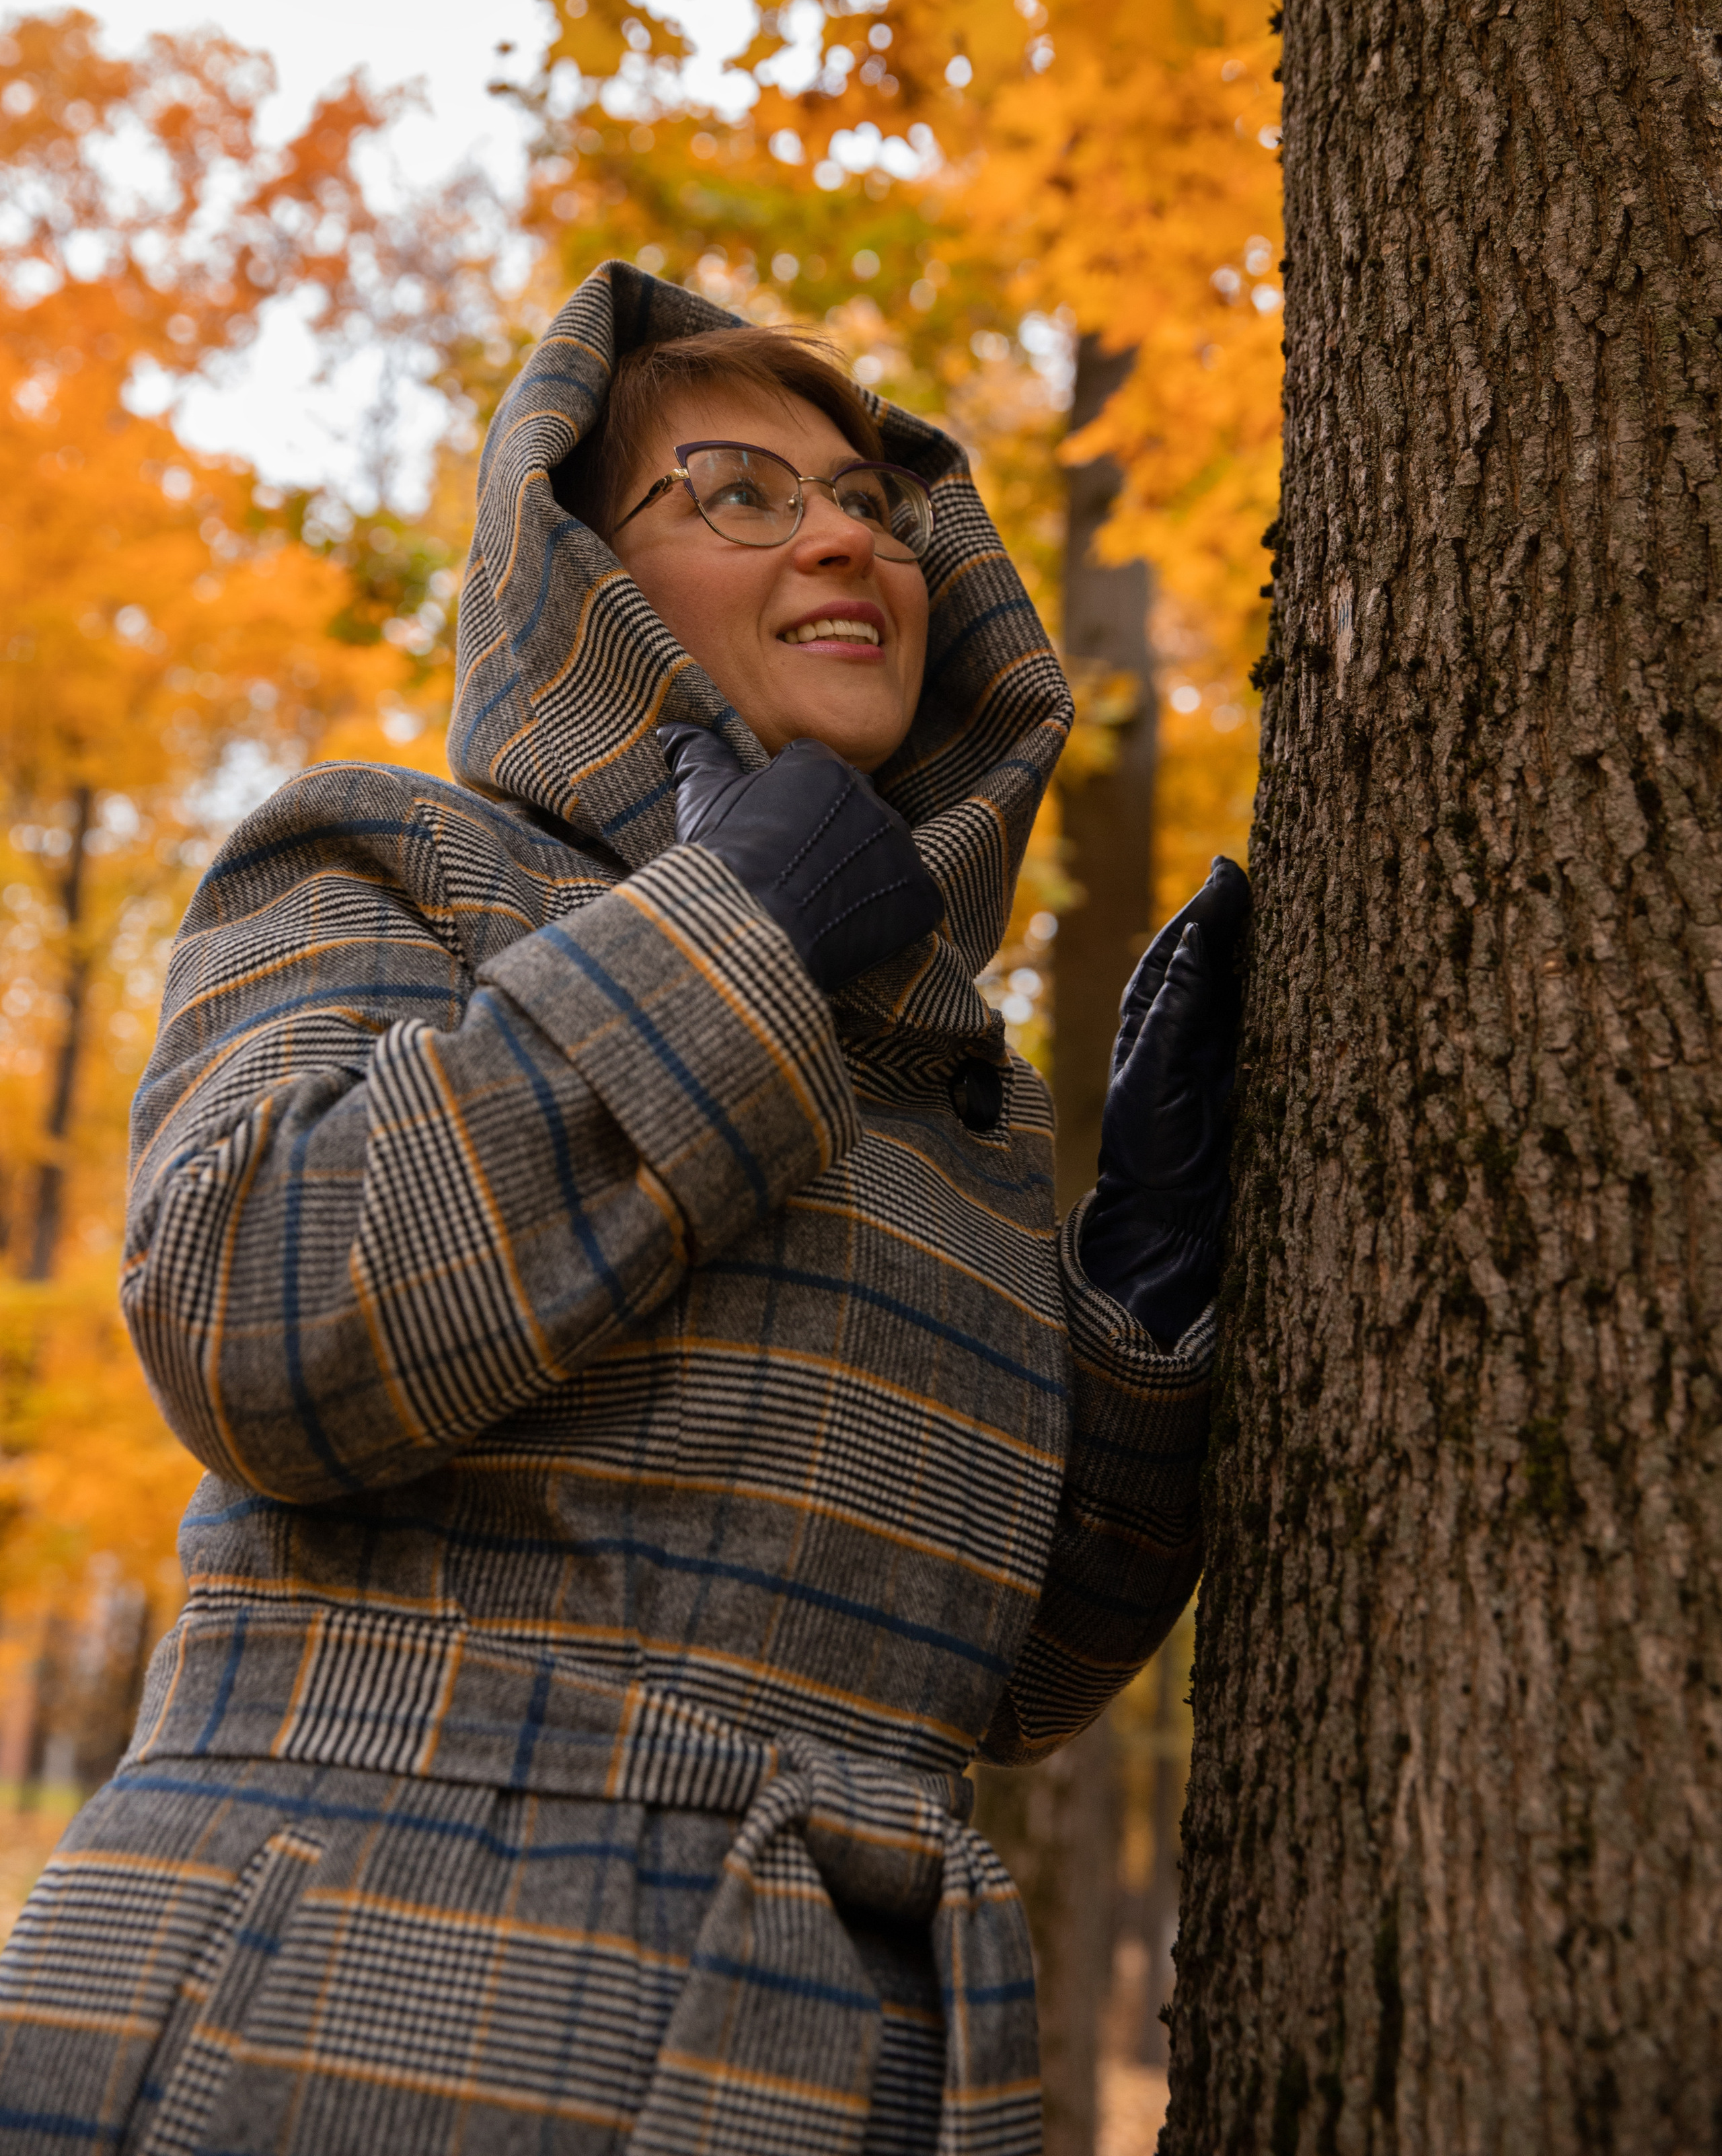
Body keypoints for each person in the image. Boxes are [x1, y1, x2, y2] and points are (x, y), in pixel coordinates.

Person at [0, 261, 1247, 2155]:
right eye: (743, 491)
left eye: (872, 507)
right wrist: (743, 919)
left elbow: (1014, 1677)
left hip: (844, 2060)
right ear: (586, 583)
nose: (842, 537)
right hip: (349, 1998)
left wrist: (1146, 1288)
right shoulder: (395, 862)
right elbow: (258, 1311)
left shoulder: (964, 1092)